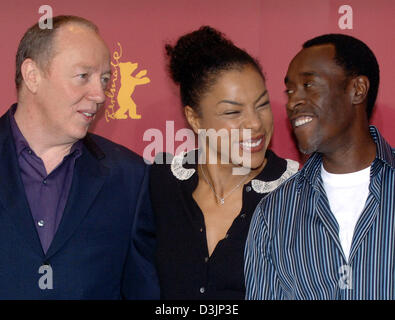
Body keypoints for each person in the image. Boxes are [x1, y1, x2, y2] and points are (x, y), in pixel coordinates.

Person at [0, 15, 159, 299]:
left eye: (105, 80)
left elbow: (141, 289)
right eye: (83, 76)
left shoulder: (129, 176)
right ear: (33, 75)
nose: (99, 95)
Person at [150, 26, 299, 299]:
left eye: (262, 105)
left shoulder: (298, 192)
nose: (256, 123)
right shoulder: (160, 183)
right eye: (233, 111)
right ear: (195, 119)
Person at [245, 34, 395, 300]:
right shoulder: (275, 214)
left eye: (308, 84)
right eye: (290, 91)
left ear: (357, 89)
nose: (292, 103)